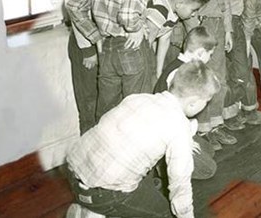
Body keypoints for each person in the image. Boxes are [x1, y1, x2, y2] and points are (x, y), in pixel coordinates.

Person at [66, 60, 220, 218]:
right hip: (105, 195)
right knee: (164, 214)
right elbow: (180, 185)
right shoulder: (179, 127)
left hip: (73, 173)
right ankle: (95, 212)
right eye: (206, 102)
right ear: (193, 103)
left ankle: (91, 211)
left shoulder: (138, 98)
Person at [66, 0, 164, 119]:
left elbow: (74, 5)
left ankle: (107, 144)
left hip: (107, 51)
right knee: (137, 108)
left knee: (107, 109)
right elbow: (128, 16)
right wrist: (135, 28)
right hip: (130, 49)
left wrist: (95, 35)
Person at [165, 0, 239, 148]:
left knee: (219, 79)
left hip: (217, 25)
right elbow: (185, 8)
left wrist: (228, 29)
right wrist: (196, 35)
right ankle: (203, 129)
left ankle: (216, 124)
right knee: (199, 79)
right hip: (197, 25)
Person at [65, 0, 127, 134]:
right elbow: (75, 9)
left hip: (105, 46)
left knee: (106, 101)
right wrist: (87, 50)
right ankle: (88, 157)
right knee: (89, 103)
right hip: (87, 46)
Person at [154, 26, 218, 176]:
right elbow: (172, 115)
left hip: (176, 126)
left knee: (209, 151)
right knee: (208, 169)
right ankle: (161, 163)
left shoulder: (184, 66)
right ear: (201, 53)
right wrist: (184, 141)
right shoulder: (180, 73)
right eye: (210, 54)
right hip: (166, 130)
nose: (210, 58)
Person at [146, 0, 210, 80]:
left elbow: (165, 39)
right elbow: (146, 43)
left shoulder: (174, 12)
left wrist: (158, 72)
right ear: (179, 4)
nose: (194, 15)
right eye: (193, 10)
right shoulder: (160, 10)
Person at [223, 0, 256, 129]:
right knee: (229, 70)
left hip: (239, 22)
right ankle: (229, 112)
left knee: (242, 66)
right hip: (225, 24)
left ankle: (246, 107)